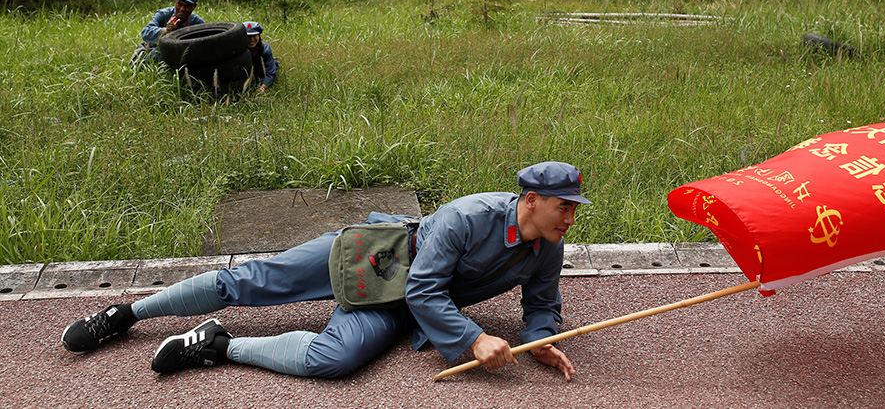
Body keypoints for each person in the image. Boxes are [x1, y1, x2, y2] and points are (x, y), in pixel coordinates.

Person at [61, 161, 590, 381]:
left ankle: (215, 346)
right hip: (381, 254)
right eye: (563, 207)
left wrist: (538, 339)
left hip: (399, 303)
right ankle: (126, 313)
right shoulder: (465, 217)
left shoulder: (547, 245)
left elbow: (541, 304)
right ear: (530, 200)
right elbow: (429, 289)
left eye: (573, 209)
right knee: (252, 280)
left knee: (334, 361)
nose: (570, 217)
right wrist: (475, 339)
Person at [131, 0, 205, 65]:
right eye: (179, 4)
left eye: (187, 6)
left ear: (194, 7)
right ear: (175, 1)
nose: (182, 9)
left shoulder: (197, 22)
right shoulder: (163, 14)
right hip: (158, 51)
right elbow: (146, 32)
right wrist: (166, 30)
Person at [243, 21, 279, 92]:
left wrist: (262, 87)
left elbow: (270, 73)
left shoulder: (265, 49)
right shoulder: (238, 48)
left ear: (259, 36)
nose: (251, 39)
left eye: (255, 36)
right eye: (248, 36)